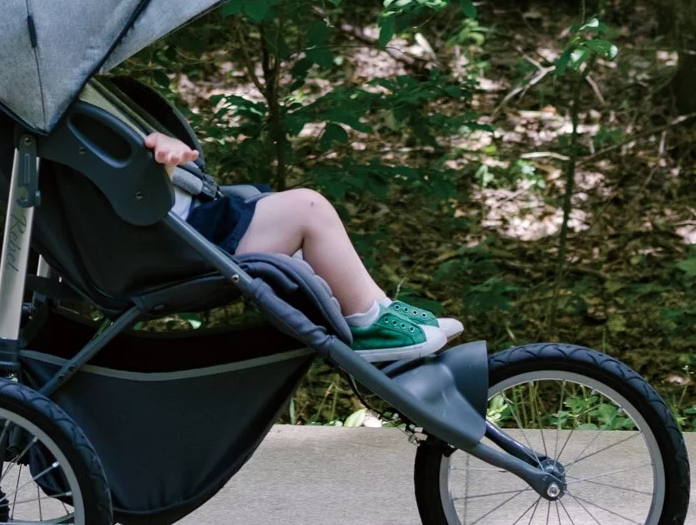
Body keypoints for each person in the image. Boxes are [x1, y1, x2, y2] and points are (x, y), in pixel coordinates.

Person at [141, 131, 463, 360]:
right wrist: (158, 160)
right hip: (190, 243)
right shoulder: (95, 144)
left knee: (297, 209)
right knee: (308, 208)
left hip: (197, 227)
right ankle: (365, 326)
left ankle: (378, 308)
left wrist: (163, 147)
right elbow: (134, 187)